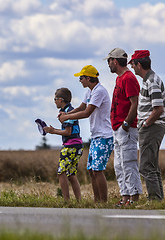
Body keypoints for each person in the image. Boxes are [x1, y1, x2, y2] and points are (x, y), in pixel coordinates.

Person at [59, 65, 114, 203]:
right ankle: (97, 201)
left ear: (88, 78)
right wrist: (67, 113)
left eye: (81, 78)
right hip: (96, 136)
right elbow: (80, 107)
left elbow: (86, 112)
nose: (80, 80)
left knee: (97, 170)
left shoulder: (99, 91)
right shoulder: (90, 91)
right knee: (91, 170)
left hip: (104, 135)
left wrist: (67, 117)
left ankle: (103, 202)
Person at [104, 48, 143, 207]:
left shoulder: (128, 78)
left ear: (115, 61)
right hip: (117, 127)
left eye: (109, 61)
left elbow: (135, 103)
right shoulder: (120, 78)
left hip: (125, 127)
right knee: (119, 166)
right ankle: (125, 197)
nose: (108, 64)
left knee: (129, 163)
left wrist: (126, 123)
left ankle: (134, 198)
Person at [129, 50, 165, 201]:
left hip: (152, 127)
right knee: (152, 166)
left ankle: (154, 200)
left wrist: (145, 124)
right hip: (152, 127)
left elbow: (158, 108)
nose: (132, 67)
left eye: (133, 64)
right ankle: (158, 200)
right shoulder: (149, 79)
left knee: (146, 166)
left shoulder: (151, 81)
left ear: (139, 64)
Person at [43, 88, 83, 201]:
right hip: (77, 146)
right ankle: (79, 201)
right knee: (71, 174)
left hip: (70, 146)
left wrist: (52, 131)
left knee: (61, 173)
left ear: (61, 100)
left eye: (55, 99)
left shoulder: (68, 112)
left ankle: (66, 200)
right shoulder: (70, 110)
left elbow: (68, 132)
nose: (54, 101)